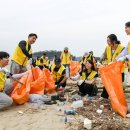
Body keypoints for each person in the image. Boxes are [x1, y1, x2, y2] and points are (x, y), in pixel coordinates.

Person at [100, 34, 124, 99]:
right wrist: (102, 58)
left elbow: (124, 58)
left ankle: (117, 98)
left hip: (118, 70)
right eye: (107, 40)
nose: (107, 42)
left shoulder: (122, 48)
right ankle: (104, 96)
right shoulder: (107, 48)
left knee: (117, 85)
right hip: (109, 69)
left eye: (108, 41)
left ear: (114, 41)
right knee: (107, 83)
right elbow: (104, 55)